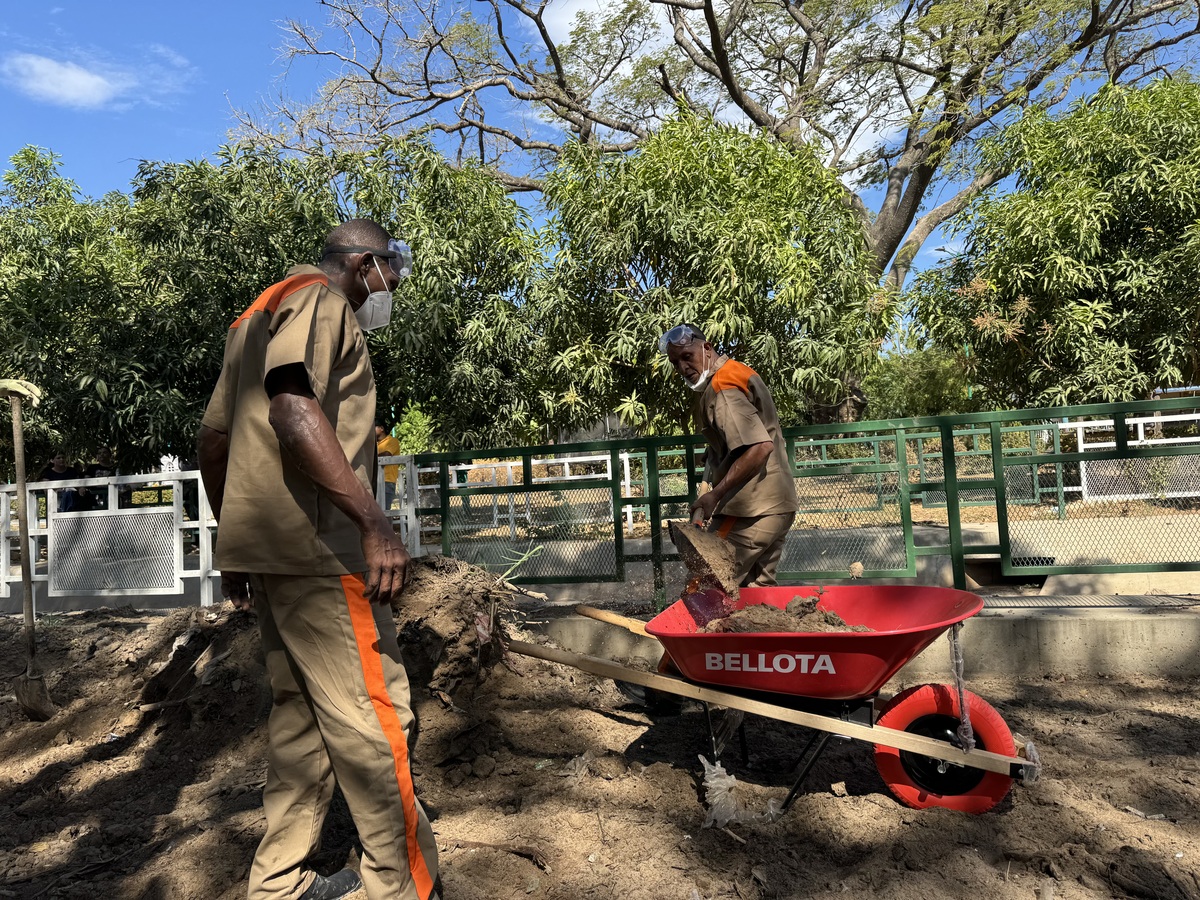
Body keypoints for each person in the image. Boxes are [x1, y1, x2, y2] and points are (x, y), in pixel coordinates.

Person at [196, 219, 438, 900]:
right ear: (364, 264)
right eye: (392, 272)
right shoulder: (321, 302)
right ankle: (405, 886)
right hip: (321, 552)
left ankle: (278, 884)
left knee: (300, 718)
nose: (392, 287)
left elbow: (214, 441)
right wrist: (373, 522)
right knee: (377, 719)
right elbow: (293, 408)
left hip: (273, 555)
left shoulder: (256, 315)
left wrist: (235, 538)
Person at [661, 323, 798, 587]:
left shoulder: (723, 387)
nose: (682, 368)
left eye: (687, 356)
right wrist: (714, 455)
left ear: (707, 348)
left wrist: (715, 494)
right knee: (756, 598)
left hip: (748, 511)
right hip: (777, 507)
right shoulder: (736, 372)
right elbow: (743, 436)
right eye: (675, 362)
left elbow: (759, 446)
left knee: (705, 585)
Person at [79, 446, 118, 511]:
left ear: (110, 455)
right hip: (94, 494)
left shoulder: (116, 468)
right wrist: (82, 487)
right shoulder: (92, 467)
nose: (101, 455)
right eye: (99, 453)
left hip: (113, 493)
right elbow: (86, 480)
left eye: (104, 452)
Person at [376, 421, 401, 511]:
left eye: (374, 427)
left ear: (381, 428)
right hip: (374, 481)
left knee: (385, 511)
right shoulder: (373, 444)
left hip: (387, 481)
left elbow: (386, 455)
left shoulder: (392, 441)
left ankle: (387, 525)